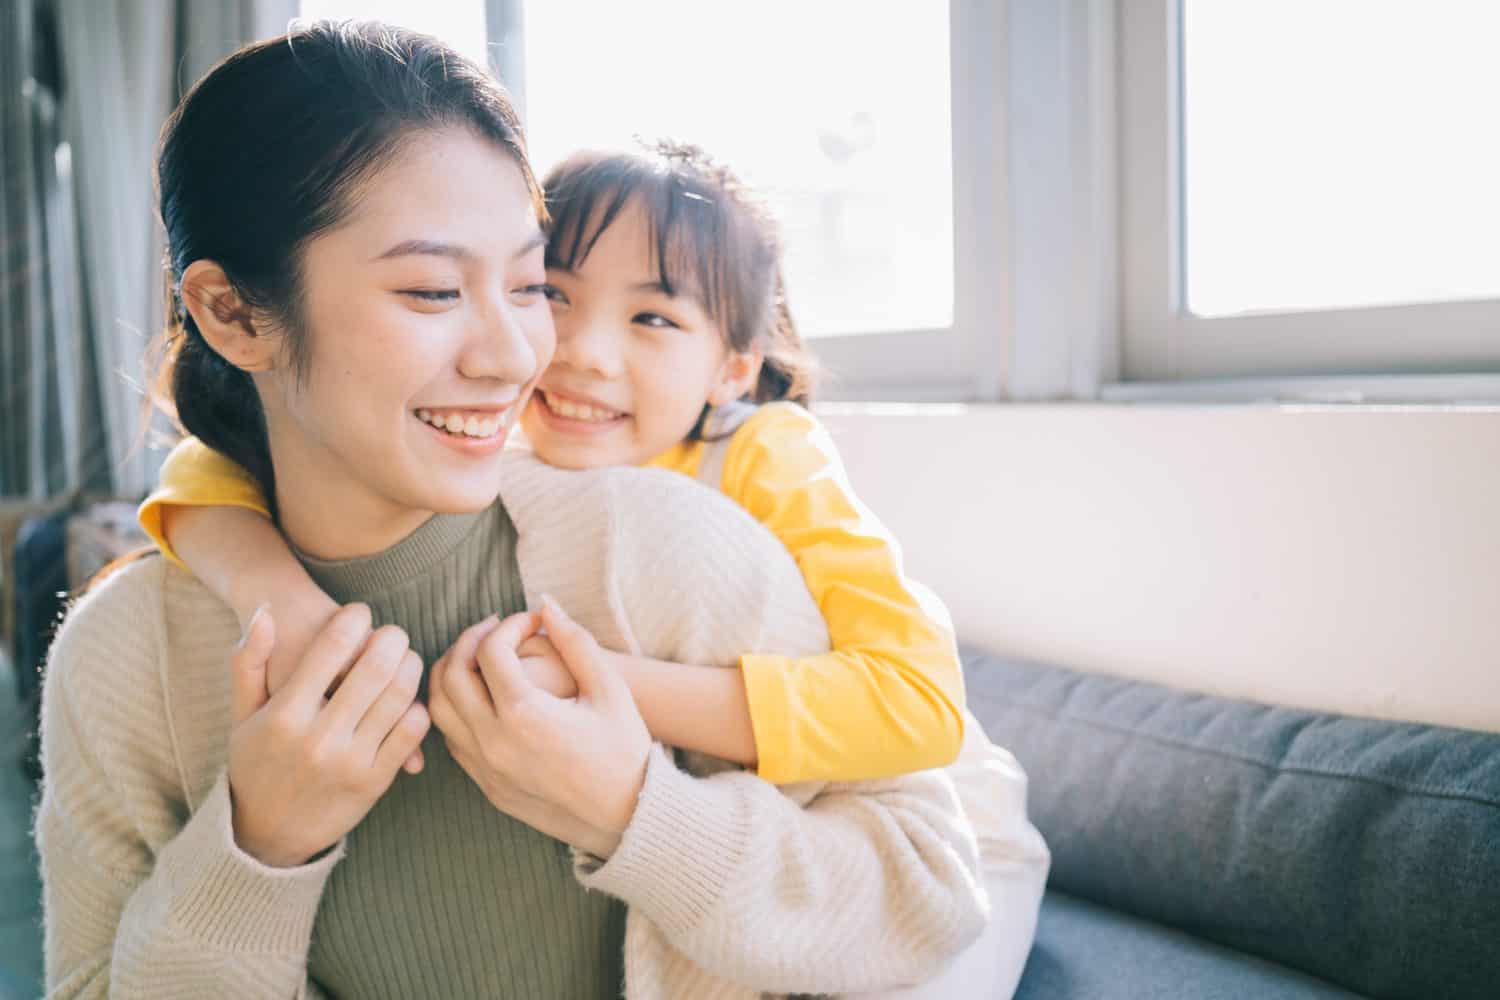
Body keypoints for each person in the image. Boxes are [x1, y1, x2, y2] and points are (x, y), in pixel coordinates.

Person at [36, 21, 1007, 999]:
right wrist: (257, 848)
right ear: (234, 314)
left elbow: (927, 898)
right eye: (431, 290)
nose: (519, 355)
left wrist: (634, 809)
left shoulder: (668, 539)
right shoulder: (123, 656)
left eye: (525, 283)